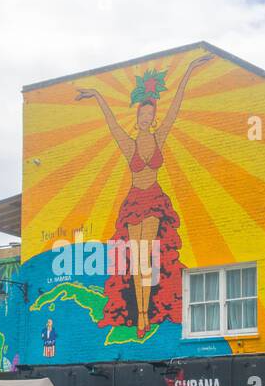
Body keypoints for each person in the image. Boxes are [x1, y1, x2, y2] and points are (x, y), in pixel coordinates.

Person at [76, 53, 210, 337]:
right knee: (137, 260)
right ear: (136, 119)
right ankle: (141, 315)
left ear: (153, 117)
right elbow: (111, 123)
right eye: (142, 115)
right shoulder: (129, 144)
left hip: (154, 199)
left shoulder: (159, 136)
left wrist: (187, 71)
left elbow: (175, 108)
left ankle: (146, 313)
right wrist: (98, 94)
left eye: (150, 115)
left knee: (148, 258)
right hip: (136, 201)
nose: (147, 118)